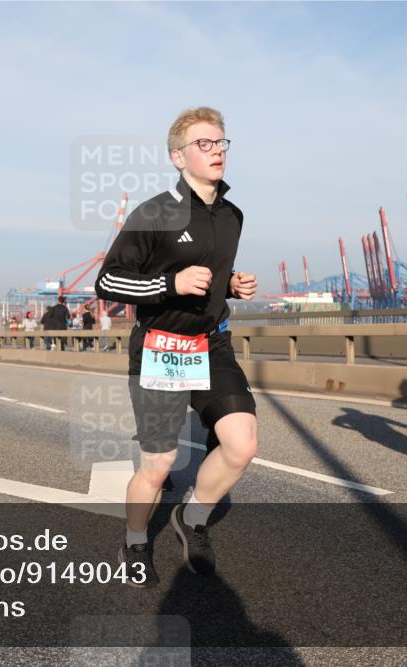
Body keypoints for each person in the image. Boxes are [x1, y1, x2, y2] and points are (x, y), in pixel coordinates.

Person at [94, 107, 258, 586]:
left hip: (211, 345)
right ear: (178, 156)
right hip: (161, 347)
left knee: (242, 444)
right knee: (159, 464)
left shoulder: (232, 215)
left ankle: (193, 519)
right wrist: (171, 283)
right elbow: (108, 281)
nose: (215, 152)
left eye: (221, 143)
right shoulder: (155, 211)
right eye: (203, 144)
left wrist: (232, 287)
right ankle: (136, 538)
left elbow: (209, 279)